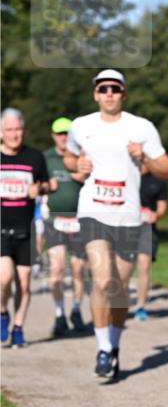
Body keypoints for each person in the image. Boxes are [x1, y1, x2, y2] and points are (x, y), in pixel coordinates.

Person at [64, 69, 168, 383]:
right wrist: (77, 165)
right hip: (93, 212)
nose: (109, 93)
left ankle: (113, 346)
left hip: (127, 216)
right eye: (103, 88)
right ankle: (102, 348)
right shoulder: (81, 125)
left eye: (115, 88)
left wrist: (145, 158)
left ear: (123, 93)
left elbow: (165, 168)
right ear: (95, 94)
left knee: (120, 291)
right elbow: (70, 157)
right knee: (102, 281)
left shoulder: (141, 127)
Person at [1, 108, 51, 347]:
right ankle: (2, 312)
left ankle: (18, 328)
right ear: (1, 132)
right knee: (4, 277)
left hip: (26, 229)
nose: (14, 134)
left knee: (24, 281)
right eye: (9, 129)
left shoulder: (34, 157)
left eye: (18, 129)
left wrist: (39, 190)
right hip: (1, 228)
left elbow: (49, 184)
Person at [43, 117, 88, 336]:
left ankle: (77, 310)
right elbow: (34, 184)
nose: (64, 137)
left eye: (67, 133)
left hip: (79, 220)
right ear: (53, 136)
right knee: (57, 268)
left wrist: (84, 175)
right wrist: (44, 186)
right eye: (60, 133)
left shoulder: (82, 157)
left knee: (79, 270)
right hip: (55, 220)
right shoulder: (46, 158)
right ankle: (60, 313)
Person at [133, 162, 168, 320]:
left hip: (147, 229)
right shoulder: (126, 175)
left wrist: (157, 214)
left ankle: (140, 306)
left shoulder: (157, 181)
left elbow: (162, 206)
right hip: (125, 228)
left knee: (144, 265)